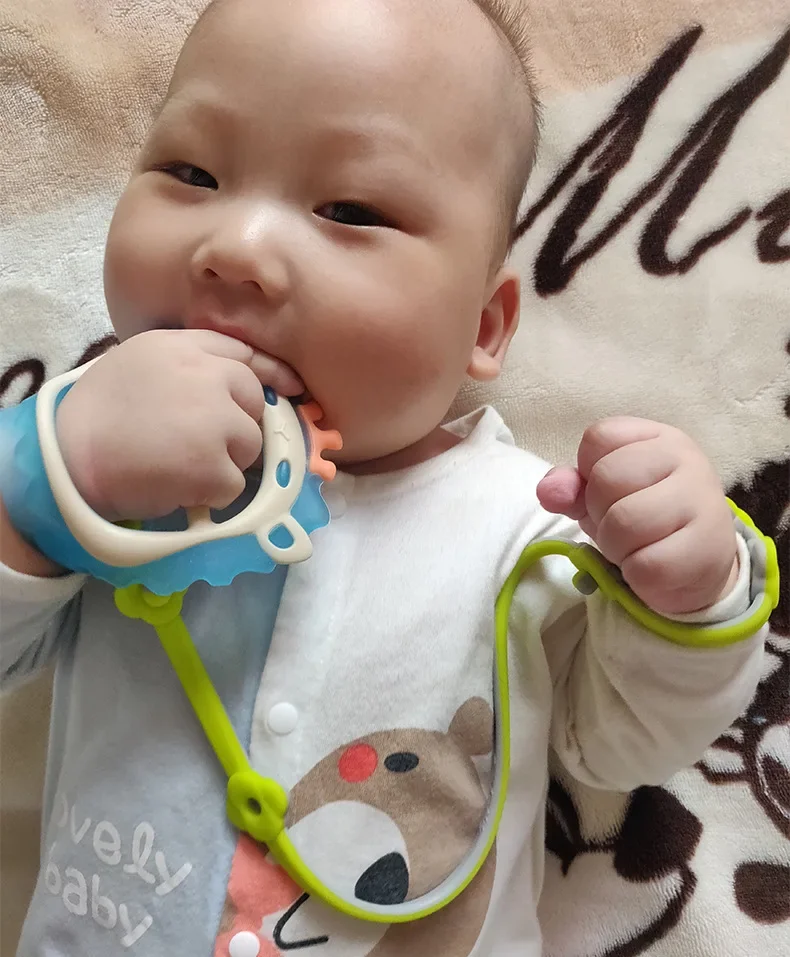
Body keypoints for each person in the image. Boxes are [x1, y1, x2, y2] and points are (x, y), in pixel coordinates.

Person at [0, 0, 770, 954]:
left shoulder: (529, 527)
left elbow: (623, 746)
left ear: (482, 326)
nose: (236, 249)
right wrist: (46, 484)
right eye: (191, 174)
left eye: (352, 211)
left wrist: (691, 591)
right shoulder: (86, 452)